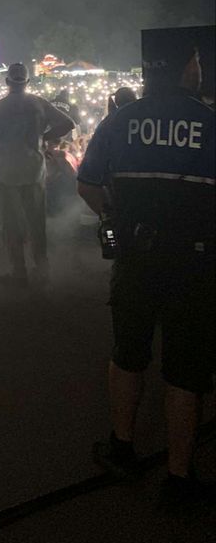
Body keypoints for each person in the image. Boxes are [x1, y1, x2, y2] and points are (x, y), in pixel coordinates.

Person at [77, 43, 215, 506]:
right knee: (185, 370)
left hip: (135, 259)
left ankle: (122, 447)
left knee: (128, 353)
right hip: (194, 264)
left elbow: (87, 182)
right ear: (184, 70)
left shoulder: (120, 120)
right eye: (195, 62)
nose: (200, 69)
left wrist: (114, 217)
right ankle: (178, 478)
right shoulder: (210, 122)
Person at [0, 63, 74, 285]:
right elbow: (68, 123)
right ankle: (42, 269)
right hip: (34, 170)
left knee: (11, 224)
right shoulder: (38, 103)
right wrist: (44, 137)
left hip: (8, 171)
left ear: (7, 82)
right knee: (36, 221)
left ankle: (19, 271)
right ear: (27, 82)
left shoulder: (0, 107)